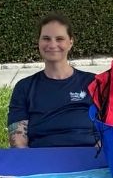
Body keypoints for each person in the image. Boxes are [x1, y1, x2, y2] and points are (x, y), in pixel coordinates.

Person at [7, 17, 98, 148]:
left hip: (88, 156)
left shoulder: (94, 82)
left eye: (59, 39)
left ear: (70, 42)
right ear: (38, 42)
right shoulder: (25, 87)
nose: (52, 44)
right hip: (42, 158)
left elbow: (110, 130)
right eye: (46, 38)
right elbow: (18, 141)